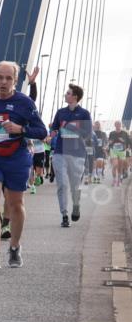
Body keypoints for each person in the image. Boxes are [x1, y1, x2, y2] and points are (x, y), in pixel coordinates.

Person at [0, 61, 47, 270]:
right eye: (0, 78)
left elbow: (42, 131)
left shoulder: (24, 103)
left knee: (15, 205)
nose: (3, 82)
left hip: (17, 157)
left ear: (15, 81)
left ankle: (14, 246)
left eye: (8, 78)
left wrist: (20, 129)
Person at [48, 83, 92, 227]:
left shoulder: (84, 113)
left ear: (75, 97)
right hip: (60, 152)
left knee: (74, 186)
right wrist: (50, 135)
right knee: (62, 184)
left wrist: (73, 129)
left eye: (68, 93)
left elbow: (87, 134)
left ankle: (76, 205)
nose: (65, 95)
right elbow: (54, 129)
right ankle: (64, 215)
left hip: (77, 154)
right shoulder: (60, 112)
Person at [109, 121, 131, 186]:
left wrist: (127, 147)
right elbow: (109, 141)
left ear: (121, 125)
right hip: (114, 150)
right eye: (116, 124)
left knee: (120, 167)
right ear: (115, 125)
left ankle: (119, 179)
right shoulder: (112, 133)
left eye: (119, 124)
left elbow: (129, 142)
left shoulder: (125, 133)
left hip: (122, 151)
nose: (118, 126)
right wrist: (110, 142)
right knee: (115, 165)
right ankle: (114, 180)